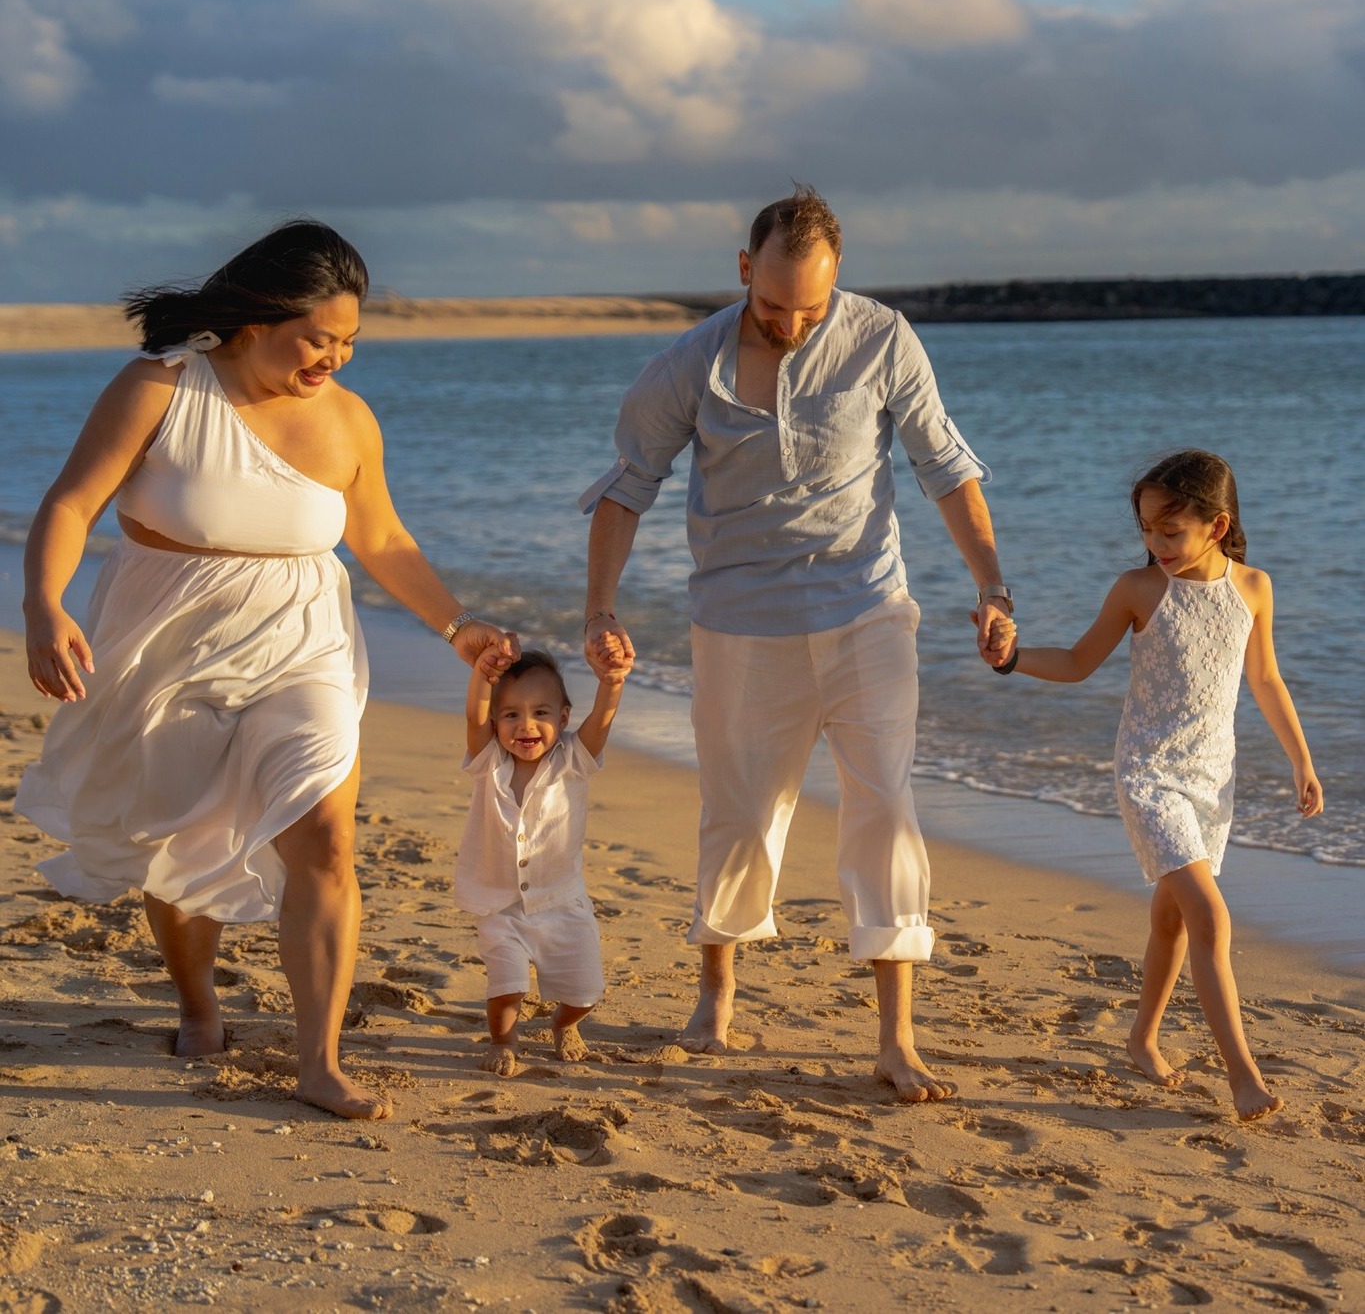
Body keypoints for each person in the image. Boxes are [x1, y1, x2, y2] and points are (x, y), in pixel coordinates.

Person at [16, 219, 517, 1121]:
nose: (334, 357)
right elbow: (70, 503)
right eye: (318, 337)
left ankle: (318, 1060)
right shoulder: (159, 389)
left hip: (304, 640)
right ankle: (199, 1003)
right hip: (167, 640)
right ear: (252, 319)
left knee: (325, 834)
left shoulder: (349, 418)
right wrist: (43, 606)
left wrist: (455, 625)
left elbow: (382, 538)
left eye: (349, 341)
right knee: (177, 838)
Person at [579, 185, 1014, 1102]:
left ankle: (896, 1036)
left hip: (866, 609)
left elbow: (944, 466)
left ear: (836, 280)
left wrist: (990, 585)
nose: (789, 323)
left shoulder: (883, 338)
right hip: (739, 623)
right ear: (744, 270)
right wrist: (598, 609)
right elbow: (626, 488)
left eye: (808, 307)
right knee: (739, 815)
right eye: (773, 305)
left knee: (884, 807)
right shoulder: (687, 364)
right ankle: (716, 988)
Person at [995, 449, 1322, 1121]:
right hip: (1147, 773)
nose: (1155, 543)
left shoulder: (1252, 588)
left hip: (1213, 775)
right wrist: (1011, 659)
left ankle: (1140, 1037)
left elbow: (1263, 678)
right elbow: (1080, 662)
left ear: (1215, 523)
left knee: (1171, 919)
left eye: (1168, 531)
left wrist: (1300, 758)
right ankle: (1243, 1075)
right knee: (1208, 914)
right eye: (1145, 528)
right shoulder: (1138, 590)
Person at [456, 645, 632, 1075]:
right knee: (507, 986)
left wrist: (611, 684)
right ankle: (504, 1040)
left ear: (564, 718)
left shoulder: (574, 760)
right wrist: (483, 673)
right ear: (496, 721)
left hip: (562, 902)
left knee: (584, 992)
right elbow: (474, 716)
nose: (526, 725)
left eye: (541, 712)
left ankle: (563, 1024)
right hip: (500, 905)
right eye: (511, 714)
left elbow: (602, 722)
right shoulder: (489, 762)